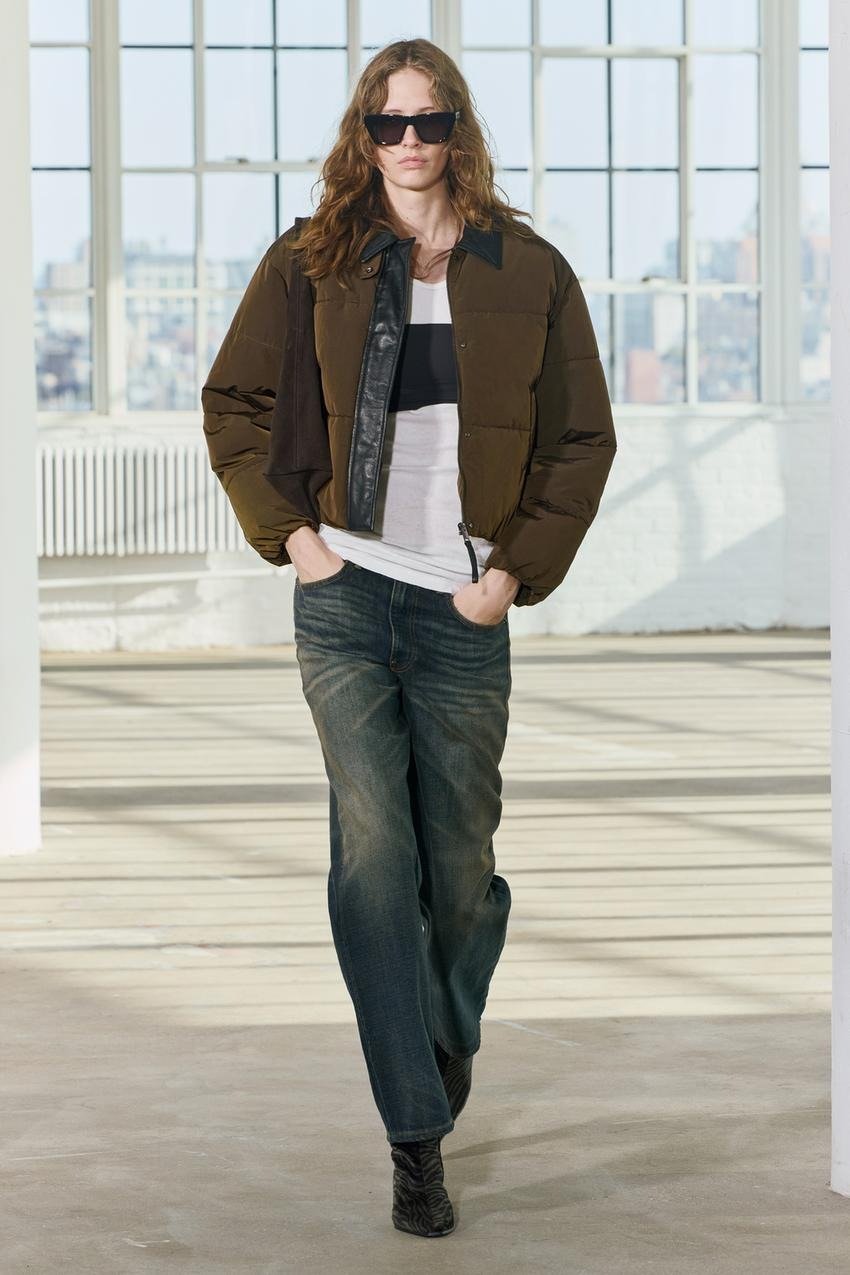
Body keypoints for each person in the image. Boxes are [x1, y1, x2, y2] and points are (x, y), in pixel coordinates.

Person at [202, 37, 616, 1240]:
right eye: (388, 124)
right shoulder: (311, 262)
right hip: (345, 595)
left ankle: (447, 1023)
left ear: (457, 131)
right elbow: (233, 404)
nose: (409, 143)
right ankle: (414, 1135)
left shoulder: (527, 269)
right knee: (373, 856)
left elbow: (580, 439)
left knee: (460, 868)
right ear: (363, 136)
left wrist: (510, 576)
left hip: (461, 605)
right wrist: (298, 541)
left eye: (429, 122)